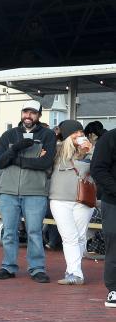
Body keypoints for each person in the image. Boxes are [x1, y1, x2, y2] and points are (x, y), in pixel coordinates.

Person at [0, 99, 55, 283]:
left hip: (35, 191)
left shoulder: (47, 135)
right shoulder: (9, 135)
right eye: (25, 112)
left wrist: (17, 160)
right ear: (21, 113)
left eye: (33, 112)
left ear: (39, 115)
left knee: (34, 231)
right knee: (9, 231)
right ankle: (8, 266)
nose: (28, 116)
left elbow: (45, 162)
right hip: (9, 190)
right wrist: (16, 149)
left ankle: (37, 268)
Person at [48, 120, 93, 285]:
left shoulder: (89, 150)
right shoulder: (57, 151)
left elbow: (99, 166)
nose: (79, 135)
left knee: (80, 236)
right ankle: (75, 273)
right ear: (67, 135)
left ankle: (74, 271)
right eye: (75, 132)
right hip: (60, 199)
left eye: (81, 132)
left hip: (84, 198)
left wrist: (90, 150)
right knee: (69, 237)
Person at [87, 126, 116, 308]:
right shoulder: (110, 138)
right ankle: (114, 289)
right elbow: (98, 169)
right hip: (113, 202)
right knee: (114, 244)